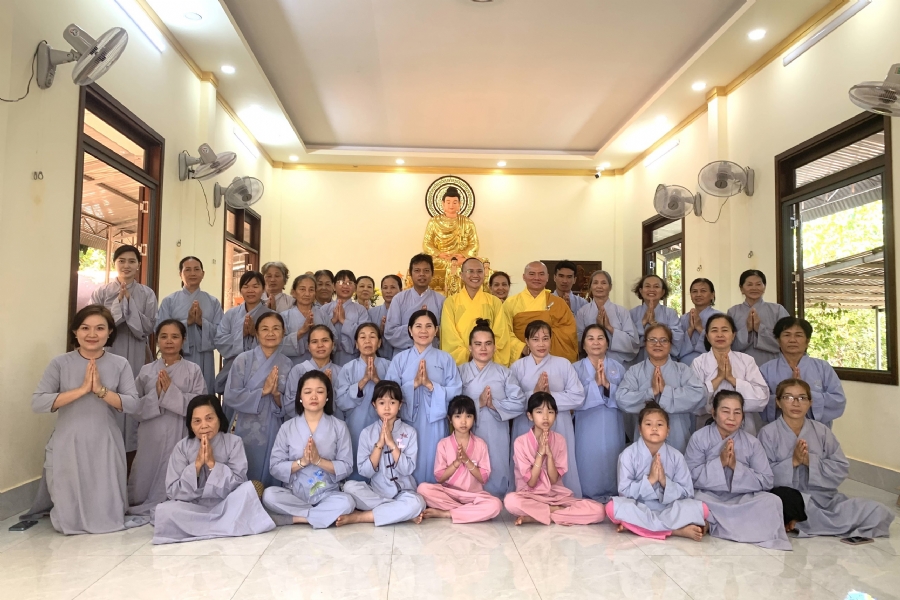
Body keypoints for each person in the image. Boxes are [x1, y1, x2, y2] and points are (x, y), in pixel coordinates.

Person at [28, 305, 141, 534]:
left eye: (100, 328)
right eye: (85, 328)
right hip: (68, 440)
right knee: (68, 512)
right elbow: (38, 402)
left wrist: (100, 390)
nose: (92, 334)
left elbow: (132, 404)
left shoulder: (120, 364)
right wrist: (81, 390)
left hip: (105, 440)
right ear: (75, 331)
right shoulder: (60, 363)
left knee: (106, 508)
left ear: (109, 332)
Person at [759, 379, 893, 538]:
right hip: (793, 500)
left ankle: (801, 522)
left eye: (802, 398)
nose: (796, 403)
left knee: (878, 511)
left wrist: (810, 461)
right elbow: (762, 476)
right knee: (782, 504)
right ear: (778, 402)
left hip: (825, 499)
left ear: (810, 403)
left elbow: (841, 468)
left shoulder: (822, 431)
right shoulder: (767, 434)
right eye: (788, 397)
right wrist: (793, 462)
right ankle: (803, 520)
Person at [152, 395, 276, 544]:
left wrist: (212, 464)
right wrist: (196, 466)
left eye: (209, 418)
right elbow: (172, 491)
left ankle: (198, 529)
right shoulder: (182, 447)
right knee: (165, 510)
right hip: (193, 507)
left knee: (251, 488)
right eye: (197, 421)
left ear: (219, 418)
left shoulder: (234, 442)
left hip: (226, 505)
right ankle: (226, 526)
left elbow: (239, 482)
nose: (204, 425)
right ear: (190, 424)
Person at [684, 390, 791, 550]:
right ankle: (721, 523)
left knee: (772, 501)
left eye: (737, 412)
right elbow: (688, 477)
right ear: (714, 413)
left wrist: (736, 467)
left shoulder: (752, 443)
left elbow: (767, 480)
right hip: (708, 496)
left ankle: (713, 523)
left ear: (743, 416)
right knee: (689, 501)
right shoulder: (699, 438)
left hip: (742, 498)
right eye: (725, 411)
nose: (731, 418)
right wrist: (719, 463)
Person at [128, 319, 206, 515]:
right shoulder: (146, 371)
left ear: (183, 340)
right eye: (164, 336)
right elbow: (133, 405)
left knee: (177, 465)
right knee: (146, 468)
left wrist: (171, 392)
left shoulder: (193, 370)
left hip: (180, 429)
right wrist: (156, 393)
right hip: (151, 432)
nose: (169, 341)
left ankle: (177, 498)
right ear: (157, 341)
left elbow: (200, 405)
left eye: (175, 336)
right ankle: (141, 499)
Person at [262, 371, 357, 528]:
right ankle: (318, 517)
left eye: (319, 392)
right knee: (269, 495)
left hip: (327, 494)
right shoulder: (287, 427)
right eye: (307, 392)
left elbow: (346, 466)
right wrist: (302, 462)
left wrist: (318, 461)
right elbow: (275, 467)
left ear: (327, 396)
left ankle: (295, 518)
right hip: (294, 494)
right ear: (300, 396)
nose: (314, 397)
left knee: (347, 502)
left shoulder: (339, 426)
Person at [89, 244, 157, 452]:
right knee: (107, 394)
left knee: (133, 394)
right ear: (114, 263)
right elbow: (93, 325)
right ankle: (106, 448)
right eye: (121, 261)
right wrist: (119, 304)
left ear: (138, 265)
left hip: (137, 351)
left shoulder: (147, 294)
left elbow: (149, 326)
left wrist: (130, 305)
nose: (126, 265)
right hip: (109, 352)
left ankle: (131, 452)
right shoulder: (101, 292)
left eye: (131, 261)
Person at [606, 403, 708, 541]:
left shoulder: (676, 456)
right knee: (611, 508)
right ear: (640, 429)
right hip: (639, 507)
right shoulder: (628, 455)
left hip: (669, 507)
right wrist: (650, 480)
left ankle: (637, 527)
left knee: (703, 509)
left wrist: (665, 482)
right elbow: (623, 491)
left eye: (660, 424)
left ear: (668, 430)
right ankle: (675, 531)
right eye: (648, 424)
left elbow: (687, 492)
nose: (654, 428)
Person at [503, 392, 606, 526]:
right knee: (511, 501)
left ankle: (536, 516)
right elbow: (532, 482)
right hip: (529, 496)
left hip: (556, 496)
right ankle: (555, 512)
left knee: (599, 511)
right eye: (539, 412)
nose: (545, 417)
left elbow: (553, 480)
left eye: (550, 412)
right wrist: (540, 454)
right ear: (530, 416)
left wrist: (550, 455)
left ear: (556, 415)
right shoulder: (520, 442)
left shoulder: (560, 440)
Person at [386, 309, 463, 485]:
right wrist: (413, 385)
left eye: (429, 326)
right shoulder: (400, 359)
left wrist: (430, 385)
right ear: (410, 330)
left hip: (435, 421)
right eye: (418, 326)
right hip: (407, 420)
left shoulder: (446, 359)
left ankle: (432, 492)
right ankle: (406, 493)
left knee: (434, 458)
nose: (423, 331)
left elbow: (456, 391)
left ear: (436, 330)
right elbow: (389, 391)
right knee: (406, 456)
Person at [509, 320, 585, 497]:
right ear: (527, 342)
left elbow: (578, 396)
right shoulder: (517, 367)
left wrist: (550, 397)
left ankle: (563, 497)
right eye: (535, 339)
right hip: (527, 425)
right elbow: (513, 400)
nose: (541, 344)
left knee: (559, 461)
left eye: (545, 338)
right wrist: (534, 394)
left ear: (551, 339)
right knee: (527, 463)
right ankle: (528, 497)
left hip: (559, 424)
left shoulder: (563, 364)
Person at [339, 381, 426, 526]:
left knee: (418, 502)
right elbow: (365, 472)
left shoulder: (410, 432)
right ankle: (400, 512)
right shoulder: (367, 433)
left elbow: (407, 469)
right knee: (349, 487)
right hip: (377, 492)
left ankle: (361, 517)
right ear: (374, 405)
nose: (386, 407)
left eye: (392, 402)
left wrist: (391, 443)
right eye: (381, 402)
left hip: (403, 492)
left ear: (400, 404)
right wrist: (379, 444)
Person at [223, 312, 293, 488]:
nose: (271, 333)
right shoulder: (243, 360)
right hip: (244, 424)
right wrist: (262, 391)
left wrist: (275, 395)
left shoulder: (287, 364)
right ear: (256, 333)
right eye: (265, 329)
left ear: (283, 332)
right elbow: (231, 396)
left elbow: (289, 404)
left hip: (273, 426)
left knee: (271, 470)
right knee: (242, 469)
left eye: (276, 328)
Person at [458, 320, 525, 497]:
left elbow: (520, 402)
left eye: (488, 344)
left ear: (495, 347)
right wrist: (478, 403)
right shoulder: (460, 372)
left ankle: (497, 496)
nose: (483, 348)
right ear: (470, 347)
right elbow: (453, 404)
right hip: (468, 430)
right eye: (478, 344)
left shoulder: (505, 373)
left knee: (496, 463)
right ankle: (469, 495)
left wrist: (495, 405)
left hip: (497, 432)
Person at [618, 324, 705, 453]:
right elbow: (621, 399)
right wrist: (651, 392)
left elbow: (699, 394)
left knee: (676, 464)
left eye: (663, 340)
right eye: (652, 340)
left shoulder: (682, 370)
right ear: (645, 343)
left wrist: (666, 391)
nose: (657, 344)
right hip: (644, 437)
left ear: (670, 344)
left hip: (677, 435)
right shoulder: (634, 371)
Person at [417, 395, 504, 523]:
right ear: (450, 419)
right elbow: (440, 478)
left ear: (474, 418)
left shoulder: (480, 444)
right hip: (449, 494)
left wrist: (467, 461)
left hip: (473, 496)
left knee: (496, 505)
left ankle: (447, 513)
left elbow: (483, 478)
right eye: (458, 416)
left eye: (468, 416)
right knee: (422, 489)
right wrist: (457, 462)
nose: (463, 422)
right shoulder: (443, 444)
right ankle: (469, 511)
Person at [759, 317, 846, 428]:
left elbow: (838, 401)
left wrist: (805, 394)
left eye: (798, 335)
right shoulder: (766, 369)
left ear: (807, 341)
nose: (792, 340)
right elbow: (759, 403)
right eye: (787, 335)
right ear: (778, 340)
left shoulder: (823, 367)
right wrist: (786, 396)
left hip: (817, 431)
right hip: (778, 432)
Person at [573, 324, 626, 501]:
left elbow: (627, 398)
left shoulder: (618, 368)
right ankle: (587, 496)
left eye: (600, 338)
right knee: (587, 458)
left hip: (612, 423)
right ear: (583, 345)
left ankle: (613, 496)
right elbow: (573, 399)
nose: (596, 342)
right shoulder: (575, 369)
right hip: (586, 424)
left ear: (607, 343)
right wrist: (595, 384)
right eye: (590, 338)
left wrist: (608, 386)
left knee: (612, 456)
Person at [690, 314, 769, 433]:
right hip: (707, 426)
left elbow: (762, 398)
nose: (720, 335)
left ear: (733, 335)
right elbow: (693, 401)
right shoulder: (698, 363)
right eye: (714, 330)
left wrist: (732, 379)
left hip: (743, 427)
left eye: (725, 330)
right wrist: (719, 378)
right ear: (707, 336)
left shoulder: (746, 360)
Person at [156, 256, 223, 394]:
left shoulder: (213, 302)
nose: (192, 273)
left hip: (204, 357)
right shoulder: (169, 301)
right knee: (174, 394)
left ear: (203, 274)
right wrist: (187, 322)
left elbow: (221, 333)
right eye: (187, 270)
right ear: (180, 274)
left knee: (202, 395)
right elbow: (160, 329)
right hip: (176, 356)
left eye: (196, 269)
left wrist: (201, 323)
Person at [335, 323, 391, 478]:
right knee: (357, 465)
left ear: (379, 343)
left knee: (383, 465)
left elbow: (396, 397)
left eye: (372, 337)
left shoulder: (389, 366)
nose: (367, 341)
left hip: (384, 424)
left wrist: (377, 380)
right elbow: (340, 401)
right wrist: (364, 381)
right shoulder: (348, 368)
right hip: (356, 425)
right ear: (356, 343)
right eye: (362, 337)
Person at [441, 257, 514, 366]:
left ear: (484, 274)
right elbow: (449, 338)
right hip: (461, 367)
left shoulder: (494, 302)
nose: (475, 275)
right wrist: (468, 355)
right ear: (461, 275)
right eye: (470, 271)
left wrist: (485, 355)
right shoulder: (450, 302)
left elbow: (501, 337)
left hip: (489, 364)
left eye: (479, 271)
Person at [504, 261, 578, 362]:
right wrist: (522, 348)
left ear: (547, 277)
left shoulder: (559, 303)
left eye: (541, 274)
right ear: (524, 277)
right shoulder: (510, 303)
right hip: (523, 359)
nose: (537, 278)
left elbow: (569, 332)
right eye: (532, 274)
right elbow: (505, 332)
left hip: (552, 360)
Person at [214, 271, 273, 397]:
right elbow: (219, 340)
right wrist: (241, 334)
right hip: (234, 369)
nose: (250, 290)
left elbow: (277, 343)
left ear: (263, 288)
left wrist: (255, 333)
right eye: (246, 286)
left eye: (255, 286)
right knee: (233, 404)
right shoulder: (231, 314)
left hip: (261, 371)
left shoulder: (271, 315)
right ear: (240, 290)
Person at [575, 270, 640, 365]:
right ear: (590, 287)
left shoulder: (622, 312)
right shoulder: (582, 312)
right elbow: (577, 341)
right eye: (595, 283)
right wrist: (596, 330)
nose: (599, 286)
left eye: (603, 283)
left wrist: (610, 328)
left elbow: (633, 343)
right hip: (590, 363)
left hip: (618, 364)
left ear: (610, 287)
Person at [727, 270, 790, 366]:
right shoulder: (733, 312)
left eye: (758, 284)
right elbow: (728, 343)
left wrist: (759, 328)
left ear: (764, 287)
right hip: (740, 365)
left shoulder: (777, 310)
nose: (754, 288)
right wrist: (747, 329)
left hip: (772, 364)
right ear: (741, 288)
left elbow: (786, 341)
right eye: (749, 284)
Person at [422, 186, 480, 290]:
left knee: (482, 261)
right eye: (448, 202)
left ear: (460, 204)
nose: (451, 205)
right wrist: (439, 254)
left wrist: (462, 255)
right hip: (441, 259)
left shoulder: (468, 222)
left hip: (461, 258)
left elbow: (474, 245)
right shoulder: (433, 222)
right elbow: (426, 244)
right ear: (443, 204)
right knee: (427, 263)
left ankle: (458, 263)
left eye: (454, 202)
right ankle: (456, 264)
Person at [384, 254, 446, 351]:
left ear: (432, 274)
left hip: (432, 354)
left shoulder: (441, 300)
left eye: (426, 270)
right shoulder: (399, 299)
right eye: (417, 270)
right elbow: (390, 332)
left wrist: (433, 330)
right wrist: (417, 326)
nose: (422, 274)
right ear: (410, 273)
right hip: (404, 354)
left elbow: (446, 334)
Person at [284, 325, 343, 419]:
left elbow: (344, 405)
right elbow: (289, 406)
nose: (320, 345)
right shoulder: (298, 370)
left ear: (333, 345)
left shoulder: (341, 372)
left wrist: (329, 389)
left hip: (332, 425)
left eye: (325, 340)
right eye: (314, 342)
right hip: (302, 425)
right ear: (309, 347)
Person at [628, 274, 682, 365]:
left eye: (656, 286)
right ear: (641, 291)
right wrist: (642, 323)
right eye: (647, 286)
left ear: (663, 292)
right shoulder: (632, 313)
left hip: (665, 363)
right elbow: (628, 341)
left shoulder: (670, 313)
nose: (651, 289)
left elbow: (677, 338)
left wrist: (654, 324)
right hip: (638, 362)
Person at [321, 270, 370, 365]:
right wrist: (333, 321)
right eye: (341, 282)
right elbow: (317, 333)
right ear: (333, 286)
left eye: (349, 283)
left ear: (355, 288)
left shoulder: (361, 310)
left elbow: (364, 334)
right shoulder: (324, 309)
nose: (345, 286)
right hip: (327, 358)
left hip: (353, 358)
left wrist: (344, 321)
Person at [280, 273, 330, 366]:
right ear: (294, 292)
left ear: (315, 293)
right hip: (293, 366)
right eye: (302, 289)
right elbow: (278, 345)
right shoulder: (284, 316)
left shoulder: (323, 315)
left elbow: (334, 340)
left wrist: (318, 333)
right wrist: (301, 332)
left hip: (320, 366)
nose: (307, 294)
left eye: (311, 290)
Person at [678, 278, 721, 366]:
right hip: (685, 364)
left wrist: (699, 327)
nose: (698, 294)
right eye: (694, 291)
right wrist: (690, 329)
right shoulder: (683, 318)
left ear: (712, 295)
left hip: (711, 362)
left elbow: (721, 342)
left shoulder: (719, 317)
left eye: (703, 291)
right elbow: (677, 346)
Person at [369, 274, 402, 359]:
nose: (388, 291)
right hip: (377, 359)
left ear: (401, 290)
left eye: (392, 287)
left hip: (400, 358)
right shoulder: (371, 312)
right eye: (385, 287)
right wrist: (380, 331)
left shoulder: (406, 313)